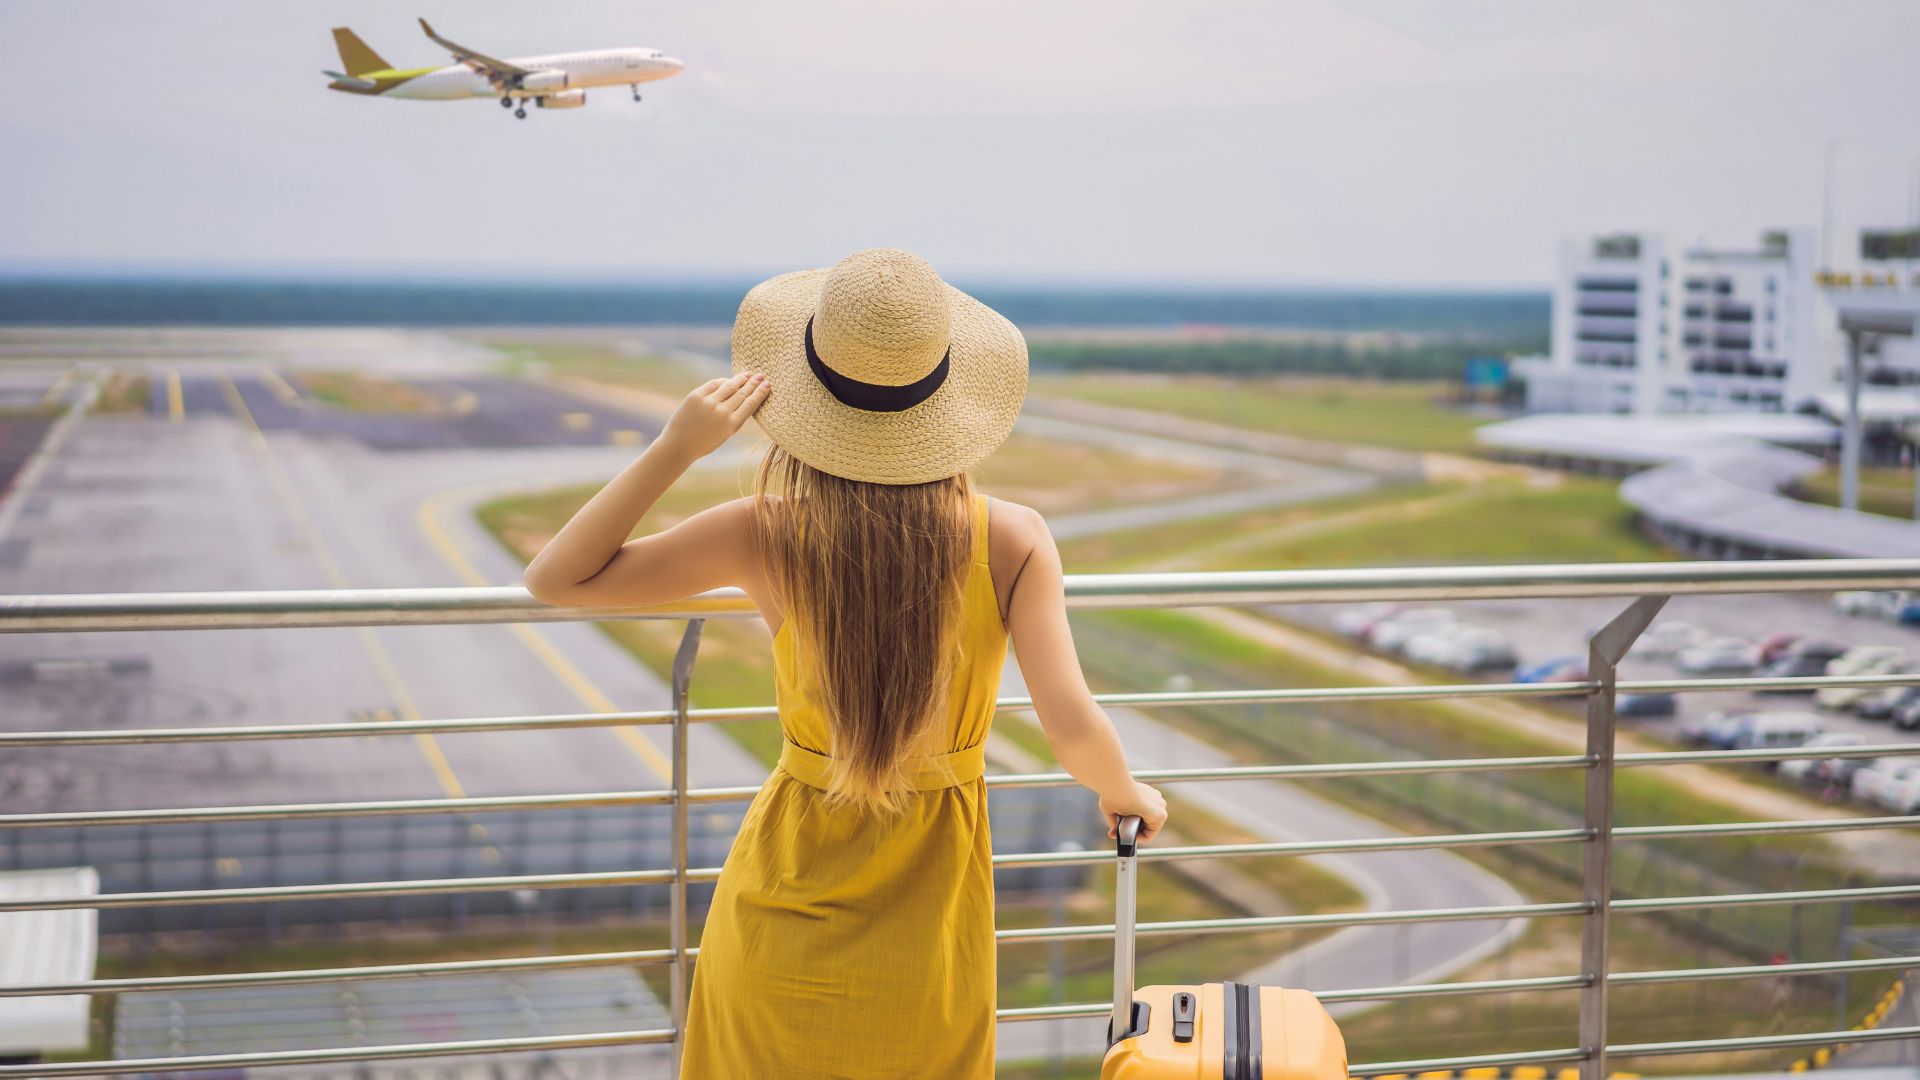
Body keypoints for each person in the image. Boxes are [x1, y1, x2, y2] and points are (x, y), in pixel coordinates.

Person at [523, 247, 1168, 1078]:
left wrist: (677, 446)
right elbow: (1072, 724)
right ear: (950, 400)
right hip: (930, 921)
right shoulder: (1011, 539)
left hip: (780, 901)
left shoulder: (766, 531)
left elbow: (557, 578)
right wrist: (1126, 795)